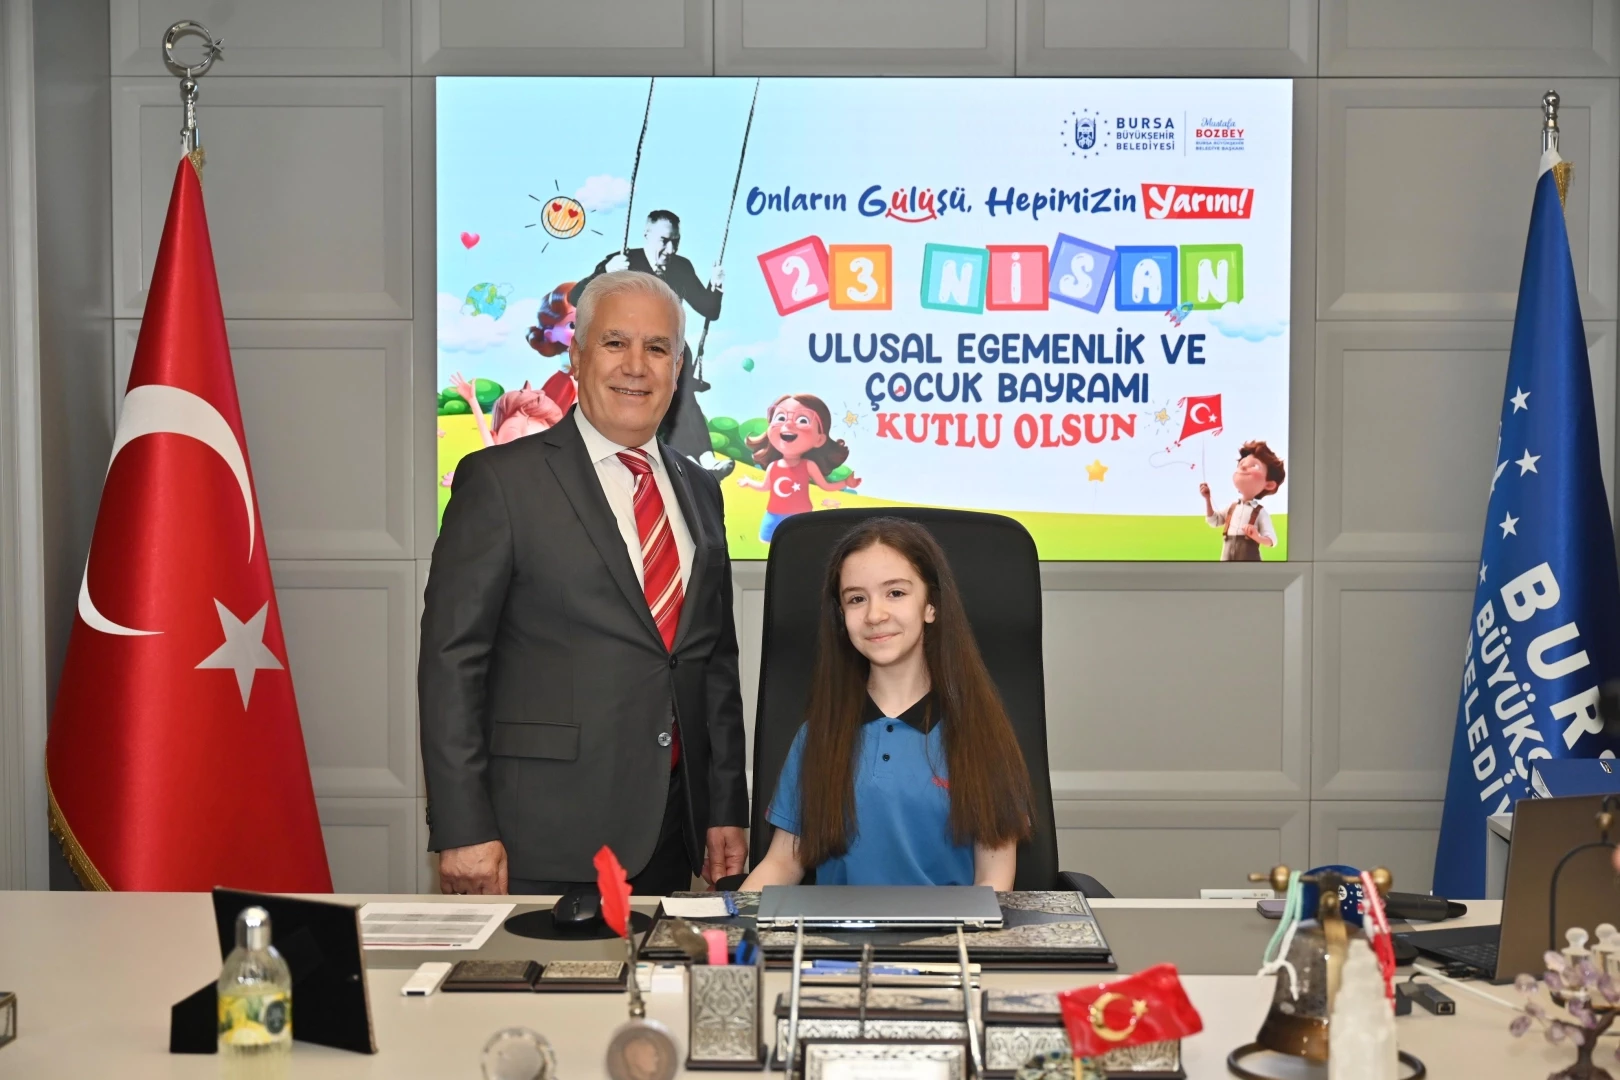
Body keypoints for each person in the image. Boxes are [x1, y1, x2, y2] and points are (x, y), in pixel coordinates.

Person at [419, 270, 749, 896]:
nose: (636, 366)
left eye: (658, 348)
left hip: (669, 835)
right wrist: (462, 826)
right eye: (615, 342)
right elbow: (451, 663)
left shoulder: (701, 490)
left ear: (679, 368)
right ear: (575, 356)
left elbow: (713, 664)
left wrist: (724, 805)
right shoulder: (500, 481)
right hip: (534, 838)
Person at [741, 517, 1034, 889]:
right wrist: (730, 919)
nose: (875, 615)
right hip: (837, 928)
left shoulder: (981, 736)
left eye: (895, 593)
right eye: (856, 599)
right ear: (842, 616)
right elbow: (782, 864)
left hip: (949, 929)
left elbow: (993, 880)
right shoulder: (818, 736)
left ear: (931, 605)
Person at [570, 211, 728, 474]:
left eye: (675, 241)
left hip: (665, 349)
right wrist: (604, 272)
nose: (670, 249)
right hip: (624, 347)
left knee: (683, 397)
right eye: (664, 241)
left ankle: (705, 457)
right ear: (647, 235)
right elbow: (576, 297)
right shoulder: (623, 261)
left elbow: (708, 309)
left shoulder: (681, 267)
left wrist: (716, 286)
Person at [737, 393, 862, 543]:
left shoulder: (808, 465)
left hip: (801, 517)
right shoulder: (773, 466)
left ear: (819, 439)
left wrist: (846, 483)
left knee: (801, 545)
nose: (788, 425)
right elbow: (765, 487)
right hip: (773, 514)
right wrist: (749, 482)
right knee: (766, 541)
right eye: (781, 417)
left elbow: (825, 486)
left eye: (802, 420)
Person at [1199, 439, 1286, 562]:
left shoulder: (1260, 512)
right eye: (1241, 464)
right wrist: (1207, 499)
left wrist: (1257, 537)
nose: (1243, 467)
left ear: (1269, 484)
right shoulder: (1232, 508)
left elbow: (1272, 541)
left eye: (1254, 466)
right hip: (1226, 553)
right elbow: (1214, 521)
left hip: (1249, 556)